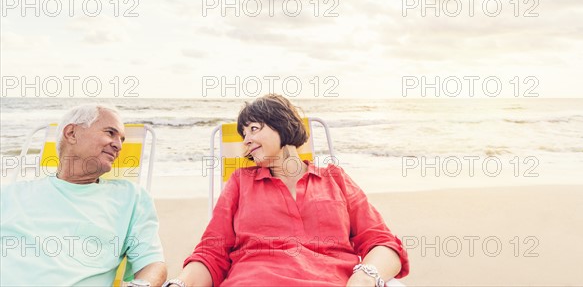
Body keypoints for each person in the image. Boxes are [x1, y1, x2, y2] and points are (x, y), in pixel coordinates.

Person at [164, 94, 409, 287]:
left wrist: (364, 278)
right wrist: (179, 284)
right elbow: (212, 253)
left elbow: (382, 242)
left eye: (253, 128)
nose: (246, 140)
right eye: (243, 133)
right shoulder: (241, 181)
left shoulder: (334, 178)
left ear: (281, 125)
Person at [0, 104, 167, 287]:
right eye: (110, 133)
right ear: (71, 133)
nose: (118, 145)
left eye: (122, 139)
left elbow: (152, 263)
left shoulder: (130, 198)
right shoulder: (11, 194)